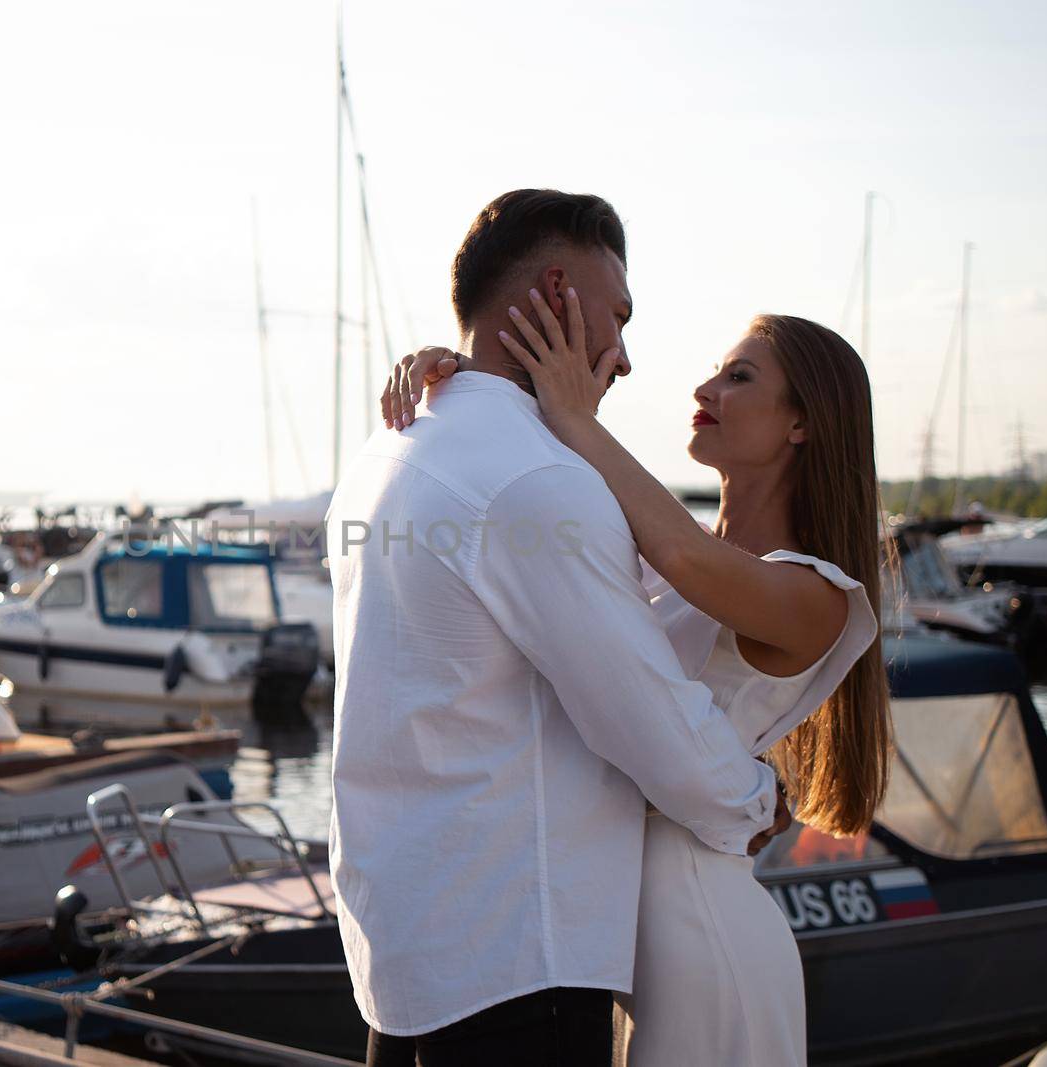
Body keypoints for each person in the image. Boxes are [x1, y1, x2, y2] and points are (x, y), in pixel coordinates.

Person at [326, 189, 787, 1067]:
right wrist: (753, 799)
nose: (623, 357)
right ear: (553, 294)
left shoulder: (383, 455)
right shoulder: (535, 481)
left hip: (406, 951)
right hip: (514, 960)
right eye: (615, 317)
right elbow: (638, 707)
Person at [384, 295, 891, 1065]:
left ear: (802, 423)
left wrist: (573, 412)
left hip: (701, 932)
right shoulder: (659, 557)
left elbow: (690, 559)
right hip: (615, 936)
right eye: (716, 371)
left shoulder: (814, 595)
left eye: (740, 377)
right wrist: (474, 389)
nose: (705, 390)